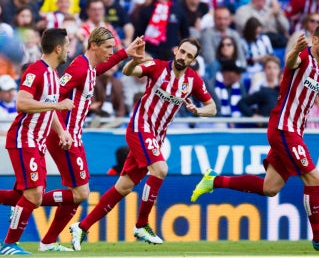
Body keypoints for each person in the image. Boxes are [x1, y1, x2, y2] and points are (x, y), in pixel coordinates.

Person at [191, 24, 319, 251]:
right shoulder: (303, 58)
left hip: (295, 131)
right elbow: (290, 62)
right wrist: (296, 50)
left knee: (270, 188)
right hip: (283, 129)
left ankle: (213, 180)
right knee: (314, 178)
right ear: (315, 40)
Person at [69, 37, 217, 249]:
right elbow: (129, 72)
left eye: (189, 56)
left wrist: (198, 111)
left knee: (124, 187)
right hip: (140, 127)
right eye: (182, 52)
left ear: (193, 61)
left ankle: (82, 227)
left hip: (156, 137)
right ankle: (141, 224)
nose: (184, 57)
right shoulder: (156, 66)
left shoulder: (193, 81)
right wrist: (133, 61)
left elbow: (212, 108)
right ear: (176, 51)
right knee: (160, 169)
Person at [37, 28, 145, 252]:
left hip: (72, 136)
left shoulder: (90, 68)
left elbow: (103, 66)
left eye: (112, 48)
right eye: (107, 47)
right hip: (63, 136)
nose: (110, 52)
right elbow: (52, 100)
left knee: (75, 196)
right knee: (82, 193)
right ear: (93, 45)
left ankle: (47, 242)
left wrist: (126, 52)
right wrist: (62, 132)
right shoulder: (78, 67)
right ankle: (26, 201)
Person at [0, 28, 74, 255]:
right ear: (58, 48)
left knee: (26, 196)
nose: (69, 50)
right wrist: (57, 106)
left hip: (37, 142)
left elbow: (47, 106)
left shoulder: (53, 75)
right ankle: (8, 245)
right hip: (25, 139)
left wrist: (61, 131)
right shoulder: (36, 71)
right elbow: (22, 103)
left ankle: (10, 244)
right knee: (33, 196)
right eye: (67, 46)